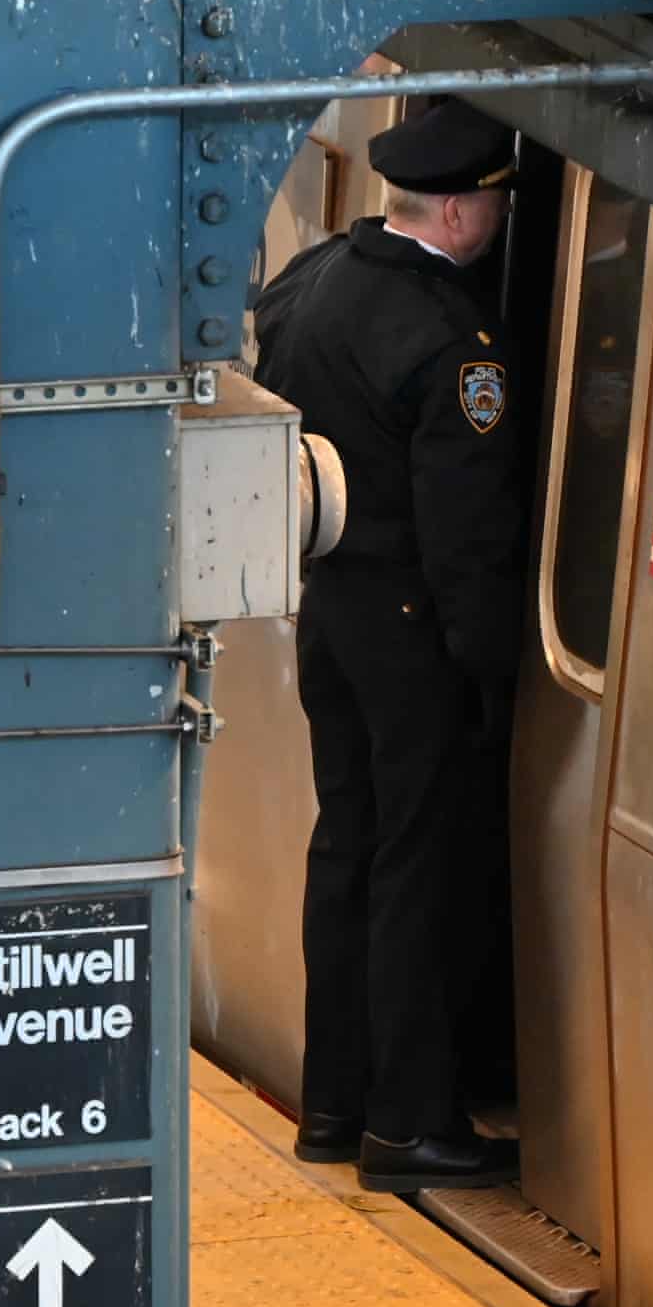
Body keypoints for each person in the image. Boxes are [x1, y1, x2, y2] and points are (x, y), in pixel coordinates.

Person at [251, 96, 531, 1194]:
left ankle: (335, 1103)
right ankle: (411, 1121)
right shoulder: (453, 347)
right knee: (418, 866)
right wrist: (491, 668)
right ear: (460, 213)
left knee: (348, 850)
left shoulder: (314, 279)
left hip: (331, 609)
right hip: (415, 634)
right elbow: (467, 533)